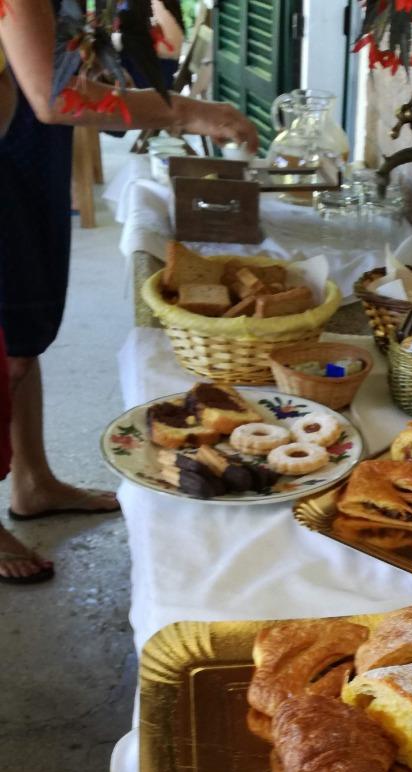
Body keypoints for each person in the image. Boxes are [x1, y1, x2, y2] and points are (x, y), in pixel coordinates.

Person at [0, 0, 259, 583]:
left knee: (22, 336)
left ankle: (34, 482)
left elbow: (60, 77)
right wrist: (186, 111)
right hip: (16, 137)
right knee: (5, 351)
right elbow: (57, 98)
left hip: (26, 143)